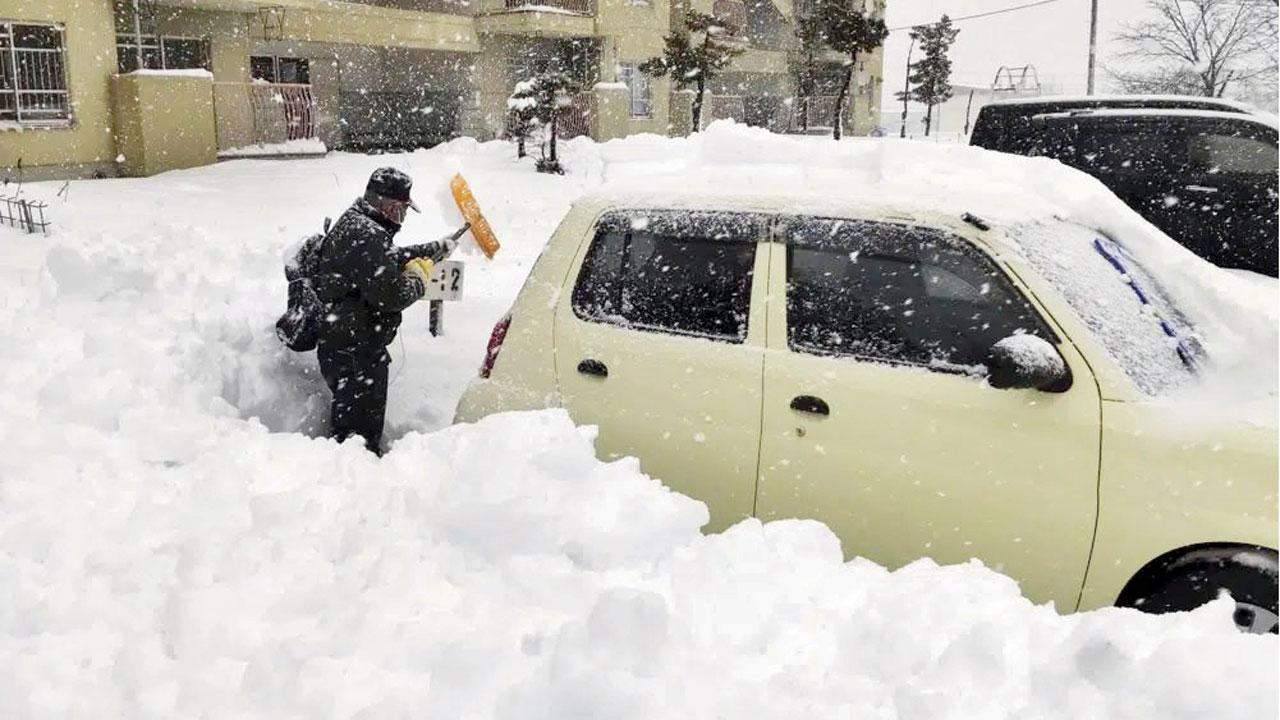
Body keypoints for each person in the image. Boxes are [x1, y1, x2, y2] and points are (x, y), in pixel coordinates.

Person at [312, 167, 460, 455]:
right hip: (355, 354)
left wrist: (434, 249)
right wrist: (419, 279)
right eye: (402, 210)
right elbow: (392, 295)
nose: (402, 218)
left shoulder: (360, 225)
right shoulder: (366, 235)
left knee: (353, 431)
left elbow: (389, 258)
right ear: (389, 205)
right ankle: (357, 484)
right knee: (357, 441)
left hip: (348, 346)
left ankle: (353, 473)